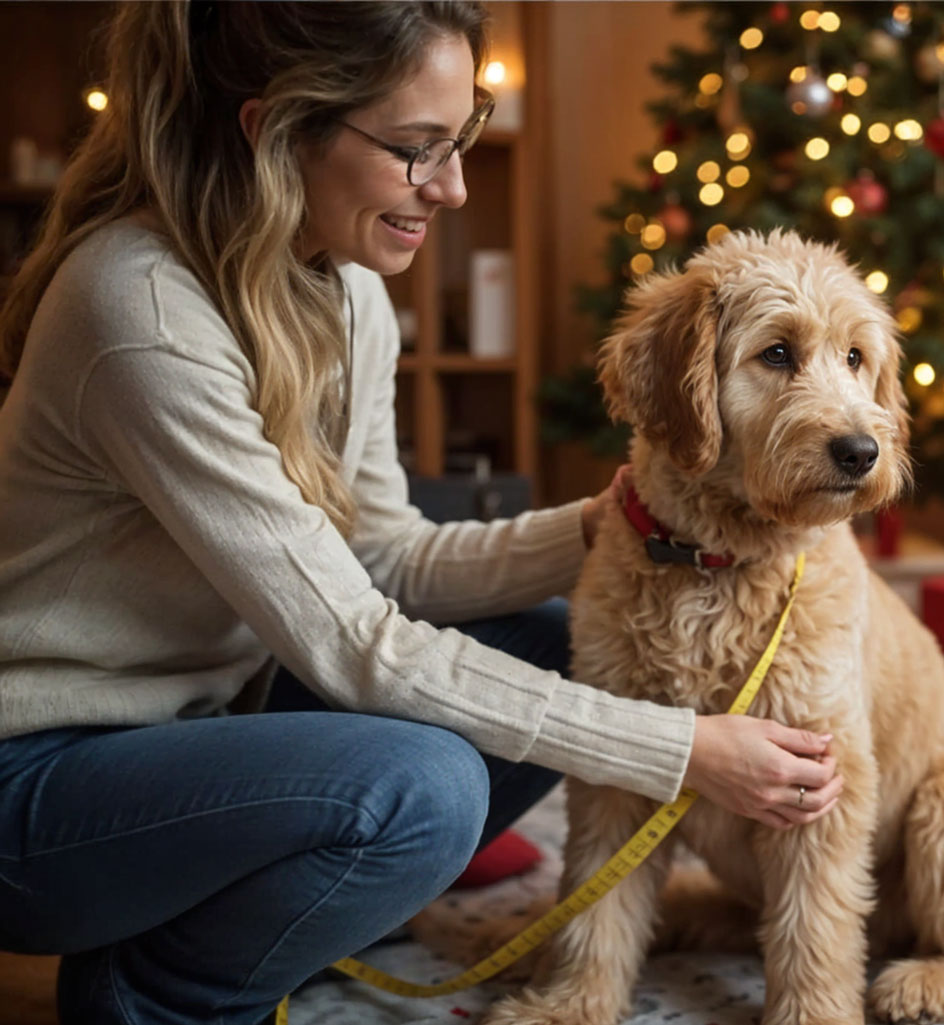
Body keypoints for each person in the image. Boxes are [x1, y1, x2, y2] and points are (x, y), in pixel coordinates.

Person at [0, 4, 843, 1023]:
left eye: (462, 137)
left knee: (551, 642)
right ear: (273, 132)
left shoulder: (346, 287)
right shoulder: (139, 311)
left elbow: (385, 559)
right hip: (41, 778)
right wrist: (680, 747)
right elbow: (357, 642)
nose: (449, 186)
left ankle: (252, 916)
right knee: (420, 786)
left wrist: (603, 518)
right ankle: (160, 988)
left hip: (206, 725)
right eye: (413, 151)